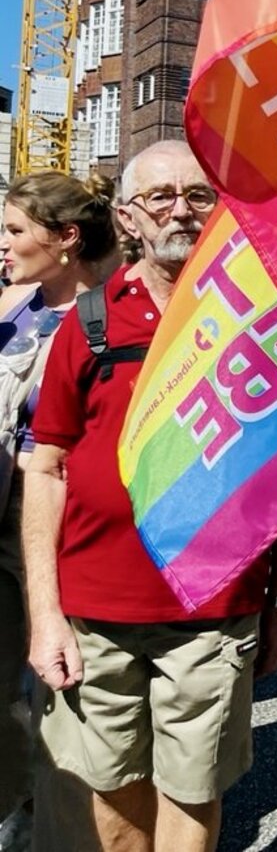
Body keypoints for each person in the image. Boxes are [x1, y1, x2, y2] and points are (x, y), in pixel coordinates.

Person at [23, 141, 277, 852]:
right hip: (96, 610)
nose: (181, 209)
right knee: (110, 802)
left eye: (198, 195)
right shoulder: (90, 323)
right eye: (160, 197)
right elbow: (46, 468)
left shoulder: (261, 316)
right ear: (127, 218)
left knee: (193, 794)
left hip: (216, 609)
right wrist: (44, 615)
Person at [0, 172, 118, 851]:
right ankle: (18, 798)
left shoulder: (101, 320)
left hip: (48, 528)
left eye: (17, 230)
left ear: (66, 239)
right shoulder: (14, 303)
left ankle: (47, 816)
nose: (5, 244)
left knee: (53, 689)